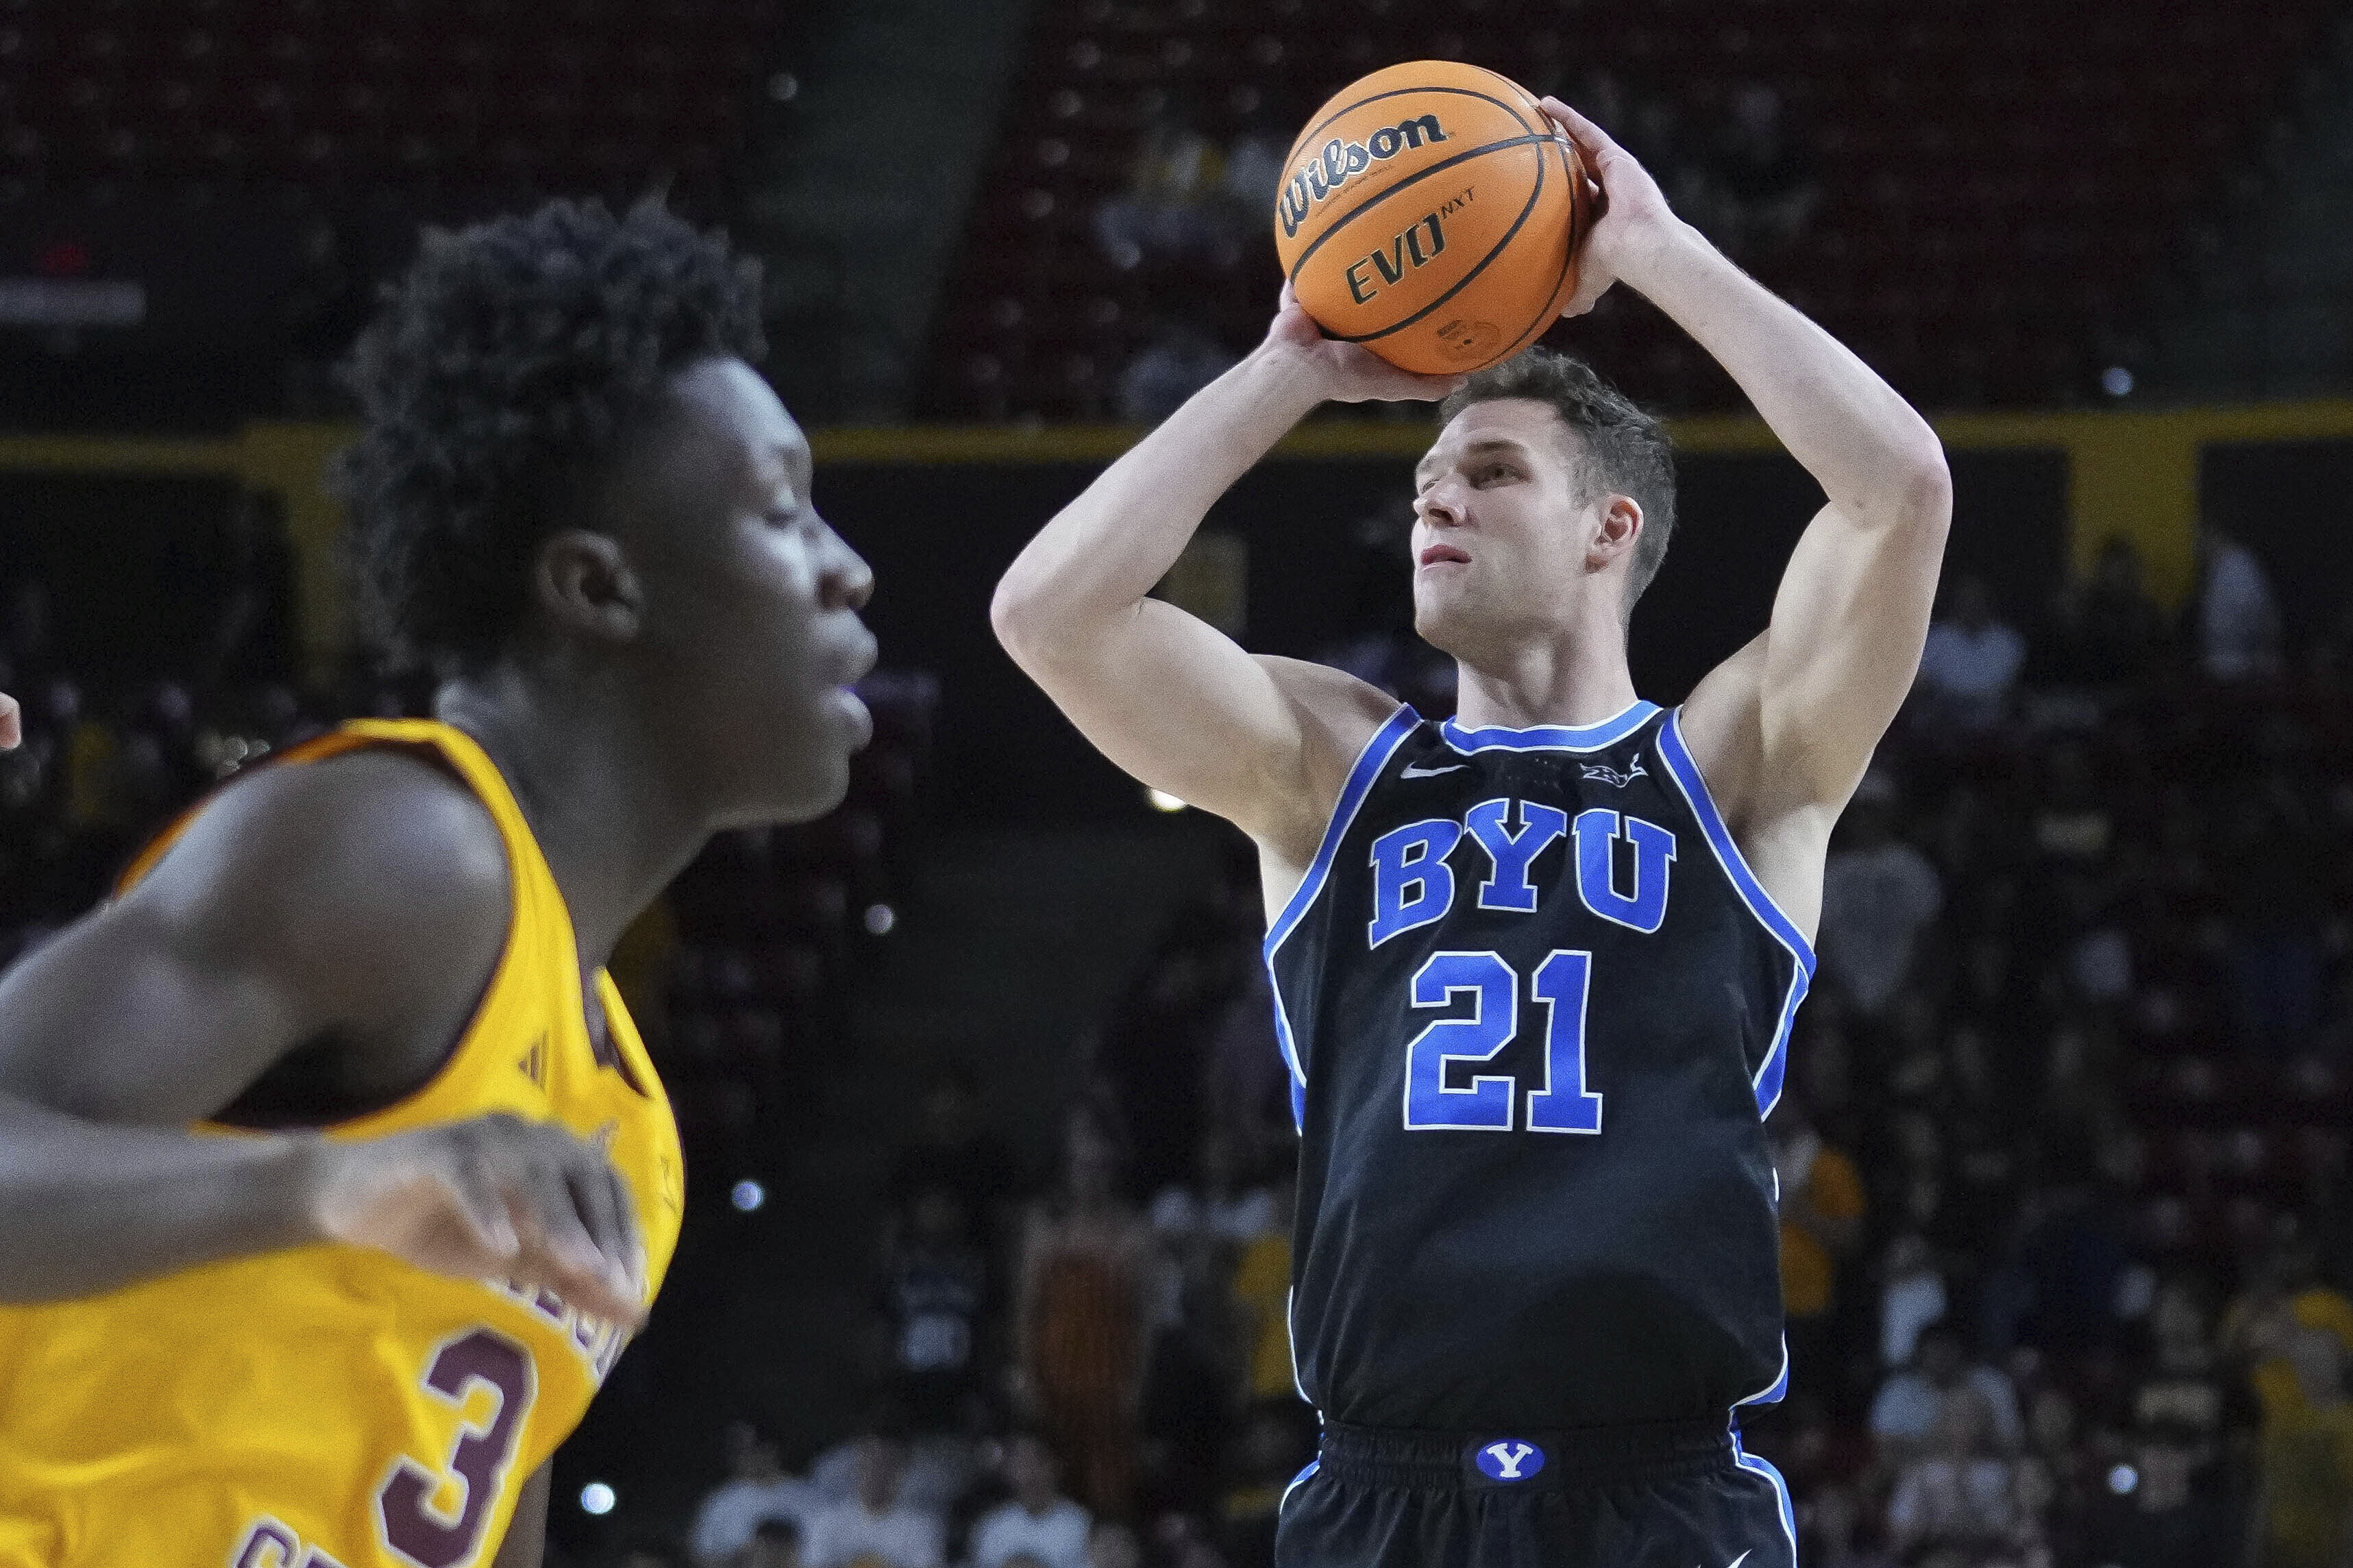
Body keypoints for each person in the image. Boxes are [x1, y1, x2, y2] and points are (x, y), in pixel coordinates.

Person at [993, 95, 1951, 1568]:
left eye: (1491, 473)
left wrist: (1657, 251)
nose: (1438, 496)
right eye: (1430, 478)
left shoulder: (1732, 760)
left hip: (1662, 1491)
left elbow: (1898, 495)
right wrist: (1286, 369)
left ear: (1607, 529)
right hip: (1383, 1487)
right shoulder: (1329, 764)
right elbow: (1047, 614)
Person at [0, 199, 877, 1565]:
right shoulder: (403, 855)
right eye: (781, 512)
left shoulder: (627, 1135)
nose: (848, 567)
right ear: (598, 586)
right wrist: (321, 1183)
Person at [693, 1421, 825, 1568]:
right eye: (735, 1450)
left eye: (747, 1448)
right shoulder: (720, 1502)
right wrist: (738, 1560)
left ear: (770, 1449)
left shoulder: (809, 1496)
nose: (741, 1457)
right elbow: (701, 1555)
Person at [802, 1434, 946, 1568]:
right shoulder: (827, 1520)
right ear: (858, 1468)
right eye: (870, 1464)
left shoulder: (921, 1526)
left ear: (899, 1472)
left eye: (885, 1466)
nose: (876, 1473)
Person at [968, 1433, 1092, 1568]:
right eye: (1022, 1463)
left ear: (1056, 1466)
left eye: (1038, 1462)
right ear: (1010, 1471)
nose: (1030, 1473)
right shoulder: (992, 1528)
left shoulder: (1079, 1525)